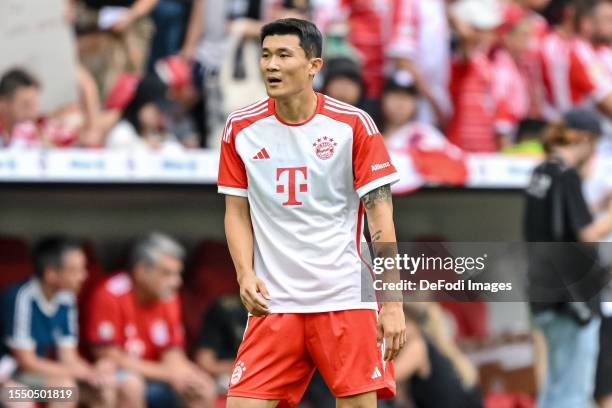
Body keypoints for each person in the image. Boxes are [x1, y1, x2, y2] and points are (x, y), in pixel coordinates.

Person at [217, 18, 407, 408]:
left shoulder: (354, 125)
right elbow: (236, 212)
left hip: (345, 300)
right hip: (275, 303)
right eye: (265, 55)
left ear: (313, 66)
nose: (271, 65)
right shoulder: (240, 127)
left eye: (284, 55)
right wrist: (244, 273)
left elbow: (381, 219)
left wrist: (391, 303)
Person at [525, 108, 612, 408]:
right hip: (570, 302)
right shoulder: (568, 175)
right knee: (573, 393)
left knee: (553, 388)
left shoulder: (542, 172)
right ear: (585, 139)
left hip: (545, 297)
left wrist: (600, 207)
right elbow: (586, 235)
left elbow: (560, 224)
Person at [1, 236, 144, 408]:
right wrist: (87, 373)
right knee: (62, 390)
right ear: (51, 274)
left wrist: (96, 373)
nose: (84, 276)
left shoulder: (66, 298)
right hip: (9, 380)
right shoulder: (21, 297)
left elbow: (68, 356)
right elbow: (27, 363)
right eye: (75, 271)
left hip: (37, 378)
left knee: (105, 388)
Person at [85, 232, 216, 408]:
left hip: (157, 377)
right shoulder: (110, 293)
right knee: (130, 385)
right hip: (117, 377)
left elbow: (172, 351)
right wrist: (168, 374)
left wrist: (187, 374)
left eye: (177, 274)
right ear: (141, 271)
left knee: (203, 387)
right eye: (167, 274)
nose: (175, 282)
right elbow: (109, 356)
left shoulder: (168, 297)